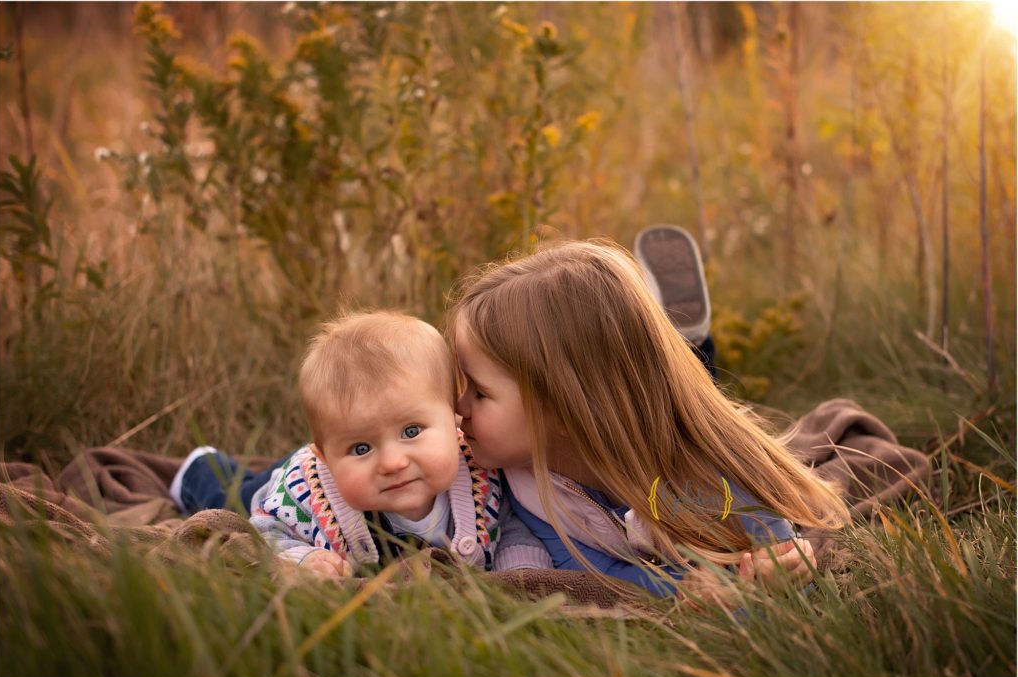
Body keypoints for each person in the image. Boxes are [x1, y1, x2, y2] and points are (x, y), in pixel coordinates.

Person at [446, 234, 852, 602]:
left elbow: (789, 568)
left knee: (687, 388)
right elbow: (592, 574)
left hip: (655, 433)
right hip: (617, 409)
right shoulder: (524, 483)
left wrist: (775, 576)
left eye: (479, 393)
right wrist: (682, 591)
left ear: (566, 411)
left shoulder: (712, 473)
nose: (457, 406)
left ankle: (689, 340)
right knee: (650, 385)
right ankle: (677, 337)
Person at [170, 312, 550, 578]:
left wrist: (521, 571)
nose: (392, 462)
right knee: (233, 498)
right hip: (295, 480)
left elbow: (509, 527)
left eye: (412, 431)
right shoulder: (304, 499)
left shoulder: (479, 476)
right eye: (362, 448)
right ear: (326, 456)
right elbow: (267, 530)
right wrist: (305, 558)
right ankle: (198, 467)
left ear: (452, 417)